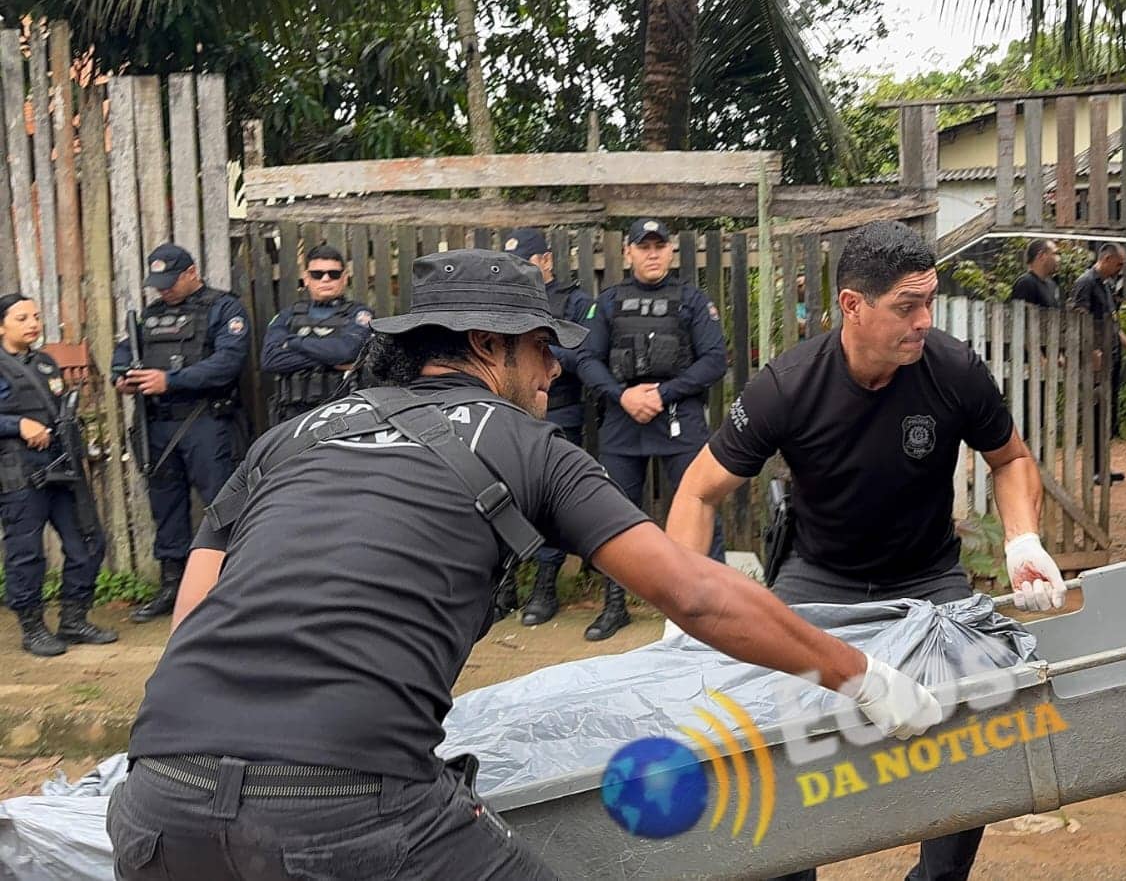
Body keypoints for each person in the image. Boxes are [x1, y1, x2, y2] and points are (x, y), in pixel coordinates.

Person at [108, 250, 942, 880]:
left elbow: (195, 618)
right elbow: (694, 592)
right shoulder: (522, 444)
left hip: (154, 803)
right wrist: (862, 675)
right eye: (543, 348)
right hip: (350, 807)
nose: (554, 369)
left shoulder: (288, 439)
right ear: (486, 345)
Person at [665, 220, 1074, 881]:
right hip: (818, 576)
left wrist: (1022, 538)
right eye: (907, 306)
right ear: (852, 305)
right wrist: (683, 606)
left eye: (929, 302)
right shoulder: (788, 385)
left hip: (928, 575)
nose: (925, 320)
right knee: (768, 724)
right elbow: (697, 490)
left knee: (978, 711)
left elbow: (1011, 458)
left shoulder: (952, 369)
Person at [575, 218, 729, 641]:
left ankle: (715, 604)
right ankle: (615, 604)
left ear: (671, 250)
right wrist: (622, 396)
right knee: (613, 515)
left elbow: (714, 360)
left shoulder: (692, 301)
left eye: (660, 246)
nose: (653, 254)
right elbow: (587, 360)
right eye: (644, 247)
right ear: (628, 252)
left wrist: (663, 393)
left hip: (679, 415)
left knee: (700, 505)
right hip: (623, 418)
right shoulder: (608, 303)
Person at [112, 243, 249, 623]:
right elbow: (122, 355)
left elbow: (227, 363)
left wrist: (170, 380)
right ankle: (172, 586)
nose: (163, 289)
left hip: (206, 422)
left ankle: (231, 587)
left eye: (170, 281)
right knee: (166, 506)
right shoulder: (150, 315)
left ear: (192, 273)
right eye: (158, 284)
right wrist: (121, 378)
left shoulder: (224, 308)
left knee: (222, 505)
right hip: (158, 423)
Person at [0, 295, 117, 656]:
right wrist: (17, 424)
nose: (33, 323)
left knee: (88, 539)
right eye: (22, 318)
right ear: (2, 326)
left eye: (36, 316)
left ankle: (74, 619)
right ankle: (32, 627)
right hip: (19, 473)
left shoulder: (46, 363)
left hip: (62, 467)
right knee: (26, 553)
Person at [501, 227, 595, 626]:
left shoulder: (574, 301)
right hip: (511, 412)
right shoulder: (504, 303)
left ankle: (545, 584)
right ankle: (505, 585)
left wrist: (534, 346)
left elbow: (583, 354)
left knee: (552, 500)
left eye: (525, 263)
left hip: (560, 413)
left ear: (546, 261)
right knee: (505, 497)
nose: (518, 272)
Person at [259, 244, 373, 425]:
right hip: (292, 417)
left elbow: (348, 352)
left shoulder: (359, 314)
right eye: (317, 274)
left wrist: (294, 343)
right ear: (306, 279)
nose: (326, 279)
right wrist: (332, 360)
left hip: (344, 415)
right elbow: (270, 359)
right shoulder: (288, 316)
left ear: (344, 278)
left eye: (333, 274)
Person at [1068, 242, 1126, 484]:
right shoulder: (1085, 283)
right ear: (1106, 259)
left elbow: (1113, 325)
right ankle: (1094, 469)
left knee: (1108, 413)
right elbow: (1078, 318)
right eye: (1118, 264)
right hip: (1095, 361)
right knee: (1096, 412)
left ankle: (1103, 465)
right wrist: (1091, 350)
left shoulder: (1107, 284)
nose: (1121, 269)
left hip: (1110, 357)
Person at [1008, 238, 1061, 308]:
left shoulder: (1051, 284)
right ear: (1041, 256)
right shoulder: (1025, 283)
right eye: (1054, 254)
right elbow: (1020, 312)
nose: (1058, 259)